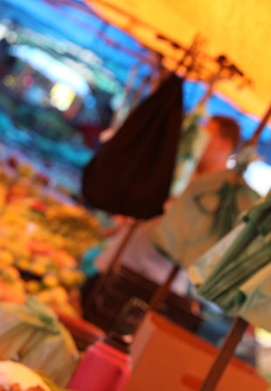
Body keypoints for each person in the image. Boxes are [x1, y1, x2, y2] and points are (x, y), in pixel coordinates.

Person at [90, 115, 242, 295]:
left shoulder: (223, 195)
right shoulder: (183, 170)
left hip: (151, 283)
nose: (197, 140)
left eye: (205, 135)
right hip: (118, 261)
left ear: (224, 145)